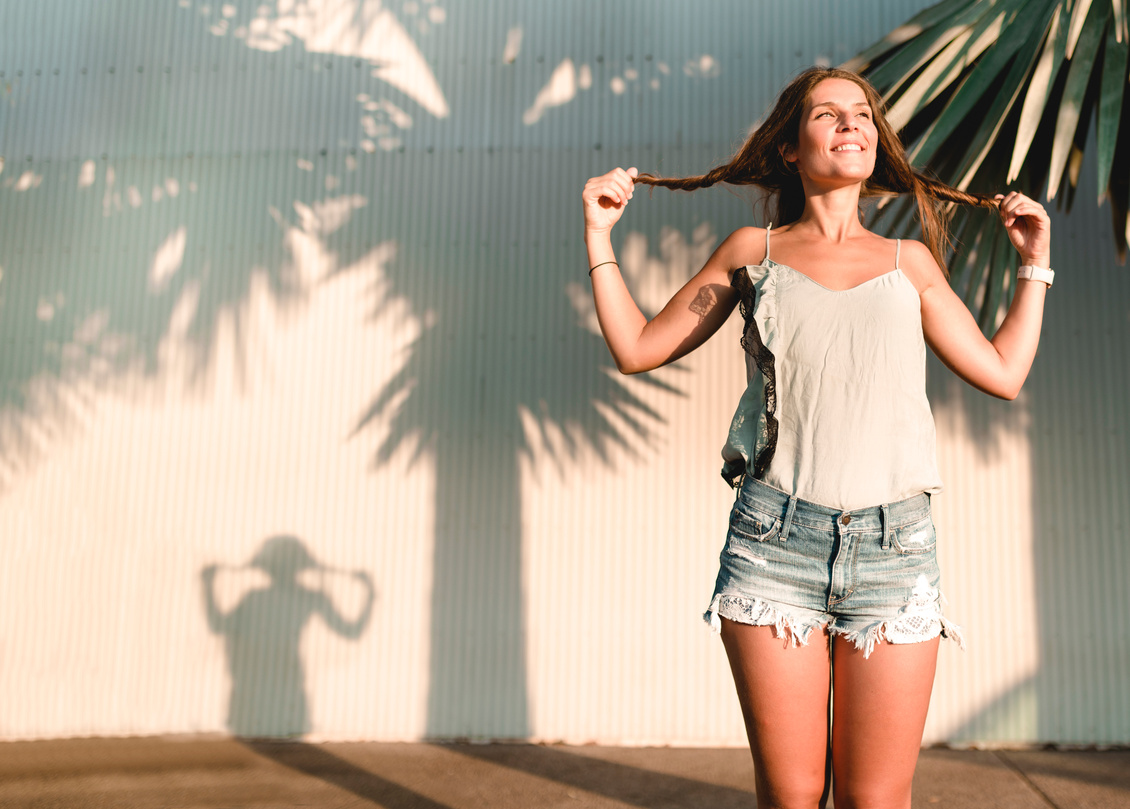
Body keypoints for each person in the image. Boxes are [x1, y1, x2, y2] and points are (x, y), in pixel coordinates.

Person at [580, 67, 1051, 809]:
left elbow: (1001, 372)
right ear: (791, 149)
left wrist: (1034, 263)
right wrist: (599, 234)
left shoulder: (910, 263)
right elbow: (638, 346)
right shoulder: (751, 252)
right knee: (793, 796)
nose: (850, 124)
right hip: (773, 548)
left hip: (896, 555)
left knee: (875, 799)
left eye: (862, 113)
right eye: (827, 114)